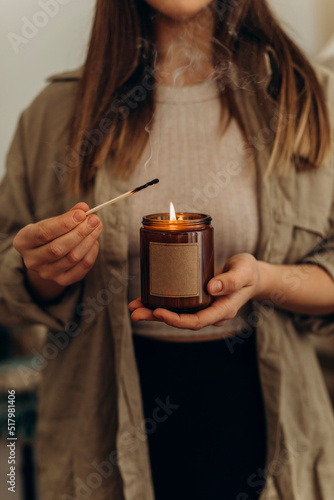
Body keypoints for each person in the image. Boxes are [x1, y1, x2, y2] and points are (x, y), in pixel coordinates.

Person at [0, 0, 334, 498]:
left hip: (269, 436)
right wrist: (43, 271)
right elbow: (14, 281)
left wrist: (266, 280)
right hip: (100, 440)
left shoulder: (308, 98)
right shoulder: (56, 115)